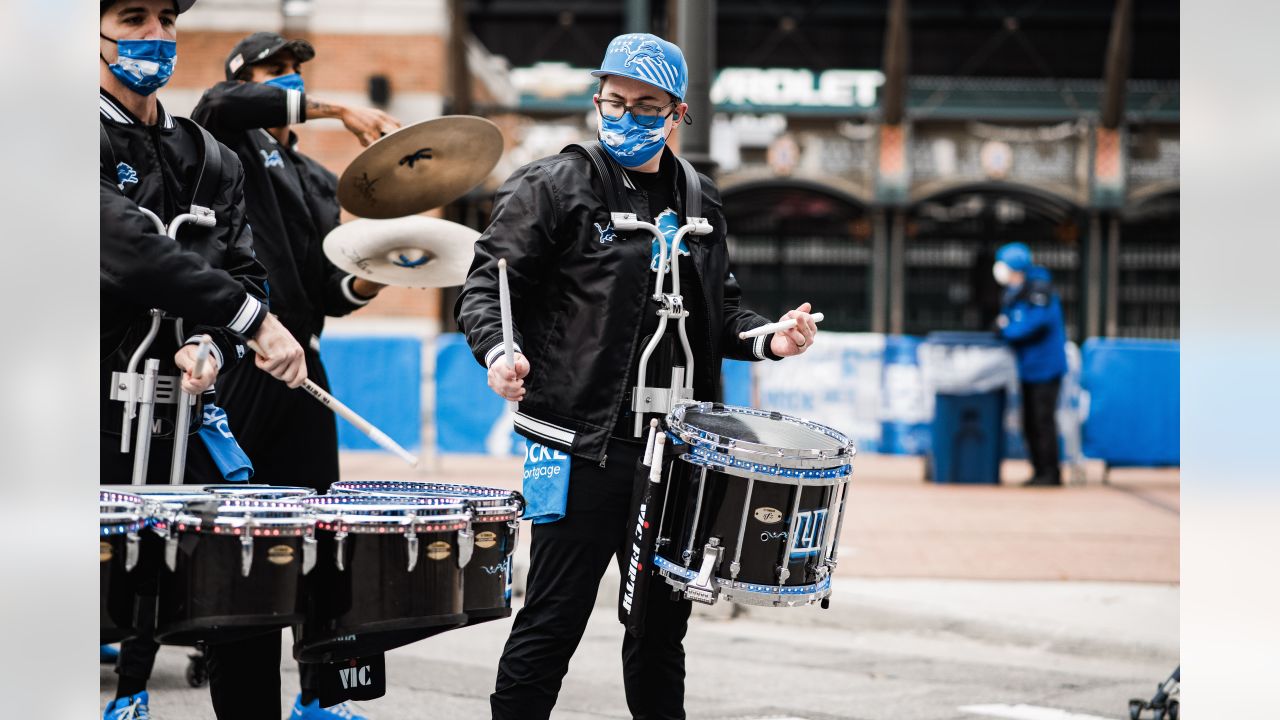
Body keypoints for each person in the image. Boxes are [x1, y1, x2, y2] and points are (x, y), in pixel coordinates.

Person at [455, 32, 818, 720]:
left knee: (659, 630)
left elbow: (722, 311)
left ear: (677, 113)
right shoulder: (554, 184)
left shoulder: (699, 197)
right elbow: (485, 288)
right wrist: (498, 349)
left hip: (676, 452)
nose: (625, 116)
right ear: (597, 100)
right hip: (577, 441)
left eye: (646, 106)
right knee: (553, 619)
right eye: (614, 101)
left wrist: (773, 339)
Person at [184, 31, 403, 719]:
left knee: (319, 536)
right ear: (246, 82)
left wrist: (378, 274)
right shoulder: (222, 138)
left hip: (303, 366)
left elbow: (326, 289)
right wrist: (338, 109)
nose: (284, 82)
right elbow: (223, 100)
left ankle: (320, 696)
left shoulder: (311, 178)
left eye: (293, 73)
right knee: (248, 546)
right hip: (241, 361)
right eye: (272, 72)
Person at [99, 1, 308, 718]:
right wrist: (250, 322)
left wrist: (211, 339)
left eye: (166, 17)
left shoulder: (210, 157)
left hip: (181, 423)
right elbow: (128, 250)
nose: (157, 35)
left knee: (246, 606)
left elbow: (247, 272)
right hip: (79, 420)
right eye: (133, 18)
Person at [993, 242, 1068, 487]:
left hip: (1046, 369)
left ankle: (1050, 473)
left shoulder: (1038, 290)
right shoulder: (1015, 291)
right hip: (1027, 368)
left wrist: (1007, 330)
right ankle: (1038, 470)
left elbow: (1031, 325)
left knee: (1042, 422)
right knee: (1030, 423)